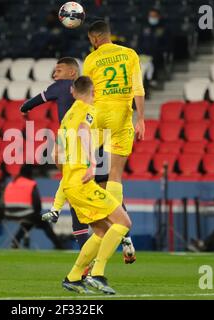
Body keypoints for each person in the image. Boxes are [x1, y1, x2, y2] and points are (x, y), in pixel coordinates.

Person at [19, 58, 135, 264]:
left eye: (59, 70)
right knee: (105, 194)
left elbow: (34, 101)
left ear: (72, 74)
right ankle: (125, 237)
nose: (55, 74)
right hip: (97, 145)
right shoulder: (91, 94)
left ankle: (84, 255)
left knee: (77, 201)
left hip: (74, 151)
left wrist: (24, 109)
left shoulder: (61, 87)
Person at [58, 76, 132, 295]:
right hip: (83, 182)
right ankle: (96, 274)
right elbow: (83, 130)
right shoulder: (88, 109)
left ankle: (73, 277)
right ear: (94, 92)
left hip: (70, 184)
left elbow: (56, 153)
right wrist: (91, 163)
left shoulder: (66, 116)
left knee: (101, 231)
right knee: (123, 221)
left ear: (72, 91)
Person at [83, 20, 145, 229]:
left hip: (97, 114)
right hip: (120, 114)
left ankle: (98, 225)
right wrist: (141, 119)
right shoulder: (130, 54)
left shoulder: (91, 59)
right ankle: (119, 228)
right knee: (115, 174)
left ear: (95, 38)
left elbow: (86, 95)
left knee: (87, 171)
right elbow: (138, 88)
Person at [3, 164, 64, 250]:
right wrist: (37, 214)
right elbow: (37, 203)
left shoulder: (11, 183)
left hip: (9, 214)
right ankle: (59, 246)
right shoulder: (30, 184)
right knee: (44, 221)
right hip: (26, 214)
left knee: (29, 222)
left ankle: (15, 241)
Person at [137, 8, 171, 87]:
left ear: (158, 17)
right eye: (150, 16)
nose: (152, 18)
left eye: (154, 16)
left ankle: (151, 80)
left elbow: (167, 45)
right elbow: (140, 41)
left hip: (157, 54)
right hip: (143, 53)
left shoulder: (164, 29)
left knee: (152, 61)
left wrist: (159, 51)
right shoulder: (144, 28)